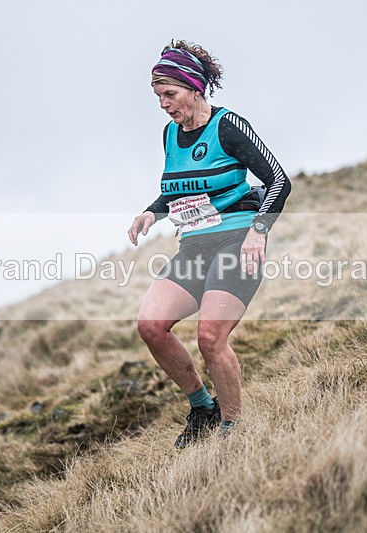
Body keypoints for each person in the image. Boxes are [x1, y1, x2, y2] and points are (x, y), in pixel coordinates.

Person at [128, 40, 291, 448]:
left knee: (210, 338)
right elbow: (177, 190)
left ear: (194, 88)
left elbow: (278, 180)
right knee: (151, 325)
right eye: (158, 96)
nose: (164, 104)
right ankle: (203, 407)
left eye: (170, 94)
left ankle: (234, 431)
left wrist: (259, 230)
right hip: (194, 249)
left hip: (237, 241)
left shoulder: (227, 127)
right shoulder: (169, 135)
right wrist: (152, 211)